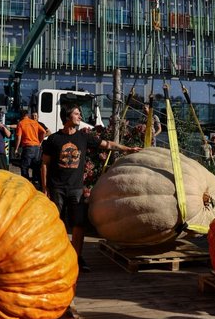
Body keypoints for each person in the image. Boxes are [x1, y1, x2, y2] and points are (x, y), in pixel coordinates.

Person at [41, 104, 142, 272]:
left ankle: (76, 258)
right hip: (56, 187)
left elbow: (107, 145)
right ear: (67, 117)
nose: (80, 116)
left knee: (79, 224)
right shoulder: (54, 140)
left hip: (76, 189)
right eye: (76, 113)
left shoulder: (83, 137)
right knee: (54, 223)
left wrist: (127, 149)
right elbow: (44, 164)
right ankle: (53, 256)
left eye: (80, 113)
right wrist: (45, 188)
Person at [14, 109, 46, 184]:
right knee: (36, 166)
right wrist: (40, 142)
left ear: (21, 115)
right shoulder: (34, 122)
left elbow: (19, 137)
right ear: (27, 115)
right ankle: (36, 183)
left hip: (28, 147)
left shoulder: (21, 123)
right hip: (37, 147)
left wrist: (16, 149)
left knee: (25, 166)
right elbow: (44, 132)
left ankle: (26, 183)